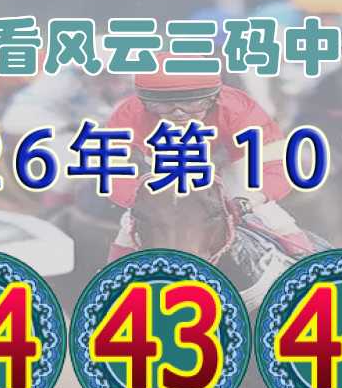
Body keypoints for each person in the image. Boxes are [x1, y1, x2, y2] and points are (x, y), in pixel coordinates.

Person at [106, 53, 315, 261]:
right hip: (170, 161)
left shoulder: (240, 109)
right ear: (144, 102)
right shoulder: (129, 113)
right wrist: (138, 198)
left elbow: (278, 167)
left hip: (234, 162)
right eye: (163, 105)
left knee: (272, 217)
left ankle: (306, 265)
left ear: (214, 98)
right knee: (127, 228)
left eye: (193, 104)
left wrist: (249, 201)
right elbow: (111, 171)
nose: (178, 113)